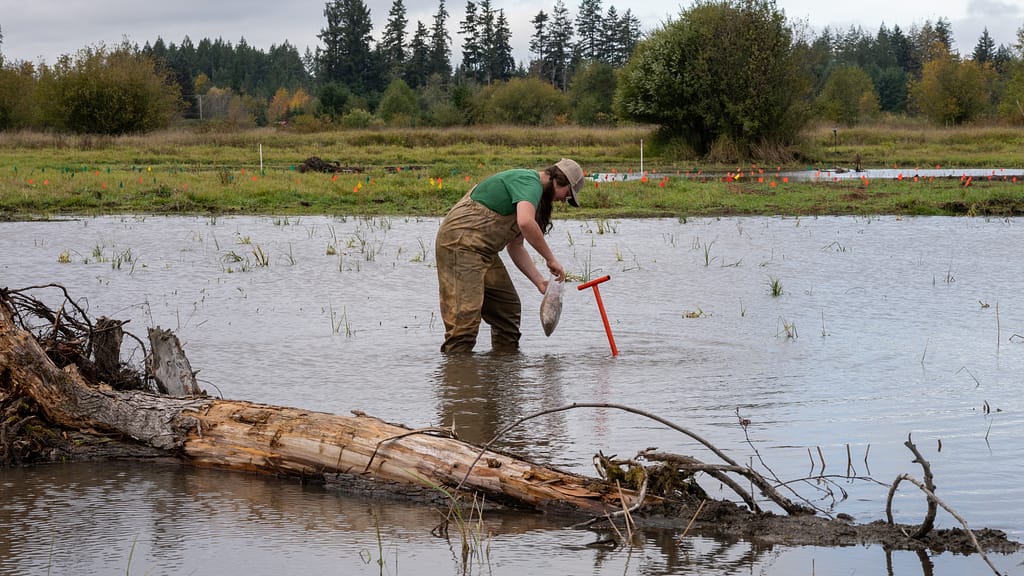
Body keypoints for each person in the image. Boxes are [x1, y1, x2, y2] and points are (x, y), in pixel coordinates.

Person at [435, 158, 585, 353]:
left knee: (507, 310)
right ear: (560, 180)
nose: (564, 200)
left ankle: (502, 374)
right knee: (465, 321)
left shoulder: (532, 198)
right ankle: (459, 377)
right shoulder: (529, 182)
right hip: (459, 245)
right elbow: (525, 222)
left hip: (483, 251)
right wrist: (550, 258)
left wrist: (539, 281)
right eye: (567, 195)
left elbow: (516, 246)